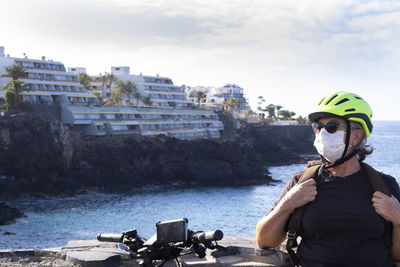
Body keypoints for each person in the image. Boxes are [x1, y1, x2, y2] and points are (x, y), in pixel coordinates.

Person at [256, 91, 400, 267]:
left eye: (331, 127)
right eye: (318, 126)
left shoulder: (384, 185)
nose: (322, 133)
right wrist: (287, 204)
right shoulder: (302, 182)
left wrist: (398, 218)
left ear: (357, 136)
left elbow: (398, 255)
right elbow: (264, 241)